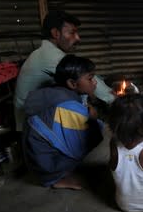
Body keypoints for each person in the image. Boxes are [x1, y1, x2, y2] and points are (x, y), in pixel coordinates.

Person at [14, 10, 115, 132]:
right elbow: (88, 79)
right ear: (56, 33)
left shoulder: (45, 52)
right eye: (72, 33)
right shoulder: (50, 56)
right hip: (33, 126)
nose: (78, 38)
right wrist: (119, 100)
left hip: (38, 118)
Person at [22, 55, 104, 189]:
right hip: (44, 164)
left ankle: (53, 172)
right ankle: (54, 178)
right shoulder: (68, 106)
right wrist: (94, 120)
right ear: (72, 83)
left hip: (37, 156)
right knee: (90, 137)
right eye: (90, 78)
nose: (94, 82)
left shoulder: (58, 93)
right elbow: (82, 144)